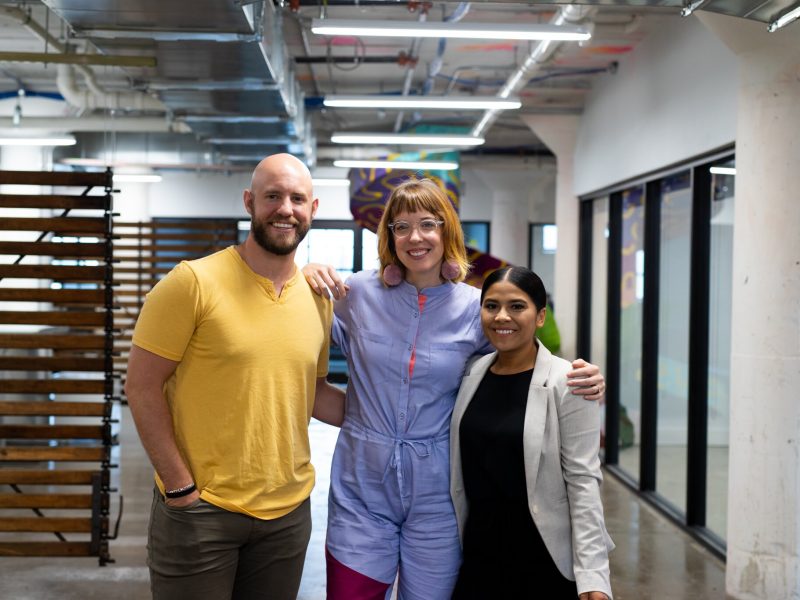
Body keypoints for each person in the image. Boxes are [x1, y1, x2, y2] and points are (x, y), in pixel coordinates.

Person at [302, 178, 606, 599]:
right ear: (389, 235)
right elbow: (296, 343)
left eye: (428, 224)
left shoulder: (474, 307)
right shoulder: (355, 294)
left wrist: (579, 375)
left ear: (447, 231)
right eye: (401, 226)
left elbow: (523, 359)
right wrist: (304, 276)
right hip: (362, 488)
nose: (416, 237)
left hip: (439, 495)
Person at [125, 153, 345, 600]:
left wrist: (403, 413)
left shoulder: (318, 298)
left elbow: (313, 391)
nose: (285, 208)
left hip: (286, 515)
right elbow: (141, 386)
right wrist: (180, 487)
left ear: (313, 209)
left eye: (297, 198)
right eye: (272, 196)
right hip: (202, 510)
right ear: (249, 202)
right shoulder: (192, 283)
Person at [450, 266, 613, 599]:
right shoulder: (471, 372)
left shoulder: (569, 381)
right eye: (491, 306)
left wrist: (594, 577)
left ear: (540, 316)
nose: (502, 317)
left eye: (517, 306)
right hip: (478, 557)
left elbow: (583, 481)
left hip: (542, 560)